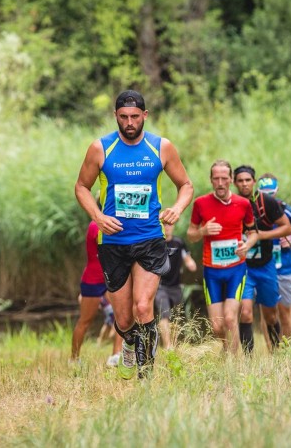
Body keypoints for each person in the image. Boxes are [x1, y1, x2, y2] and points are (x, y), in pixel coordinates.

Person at [75, 90, 194, 379]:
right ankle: (128, 344)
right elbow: (81, 187)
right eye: (124, 117)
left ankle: (146, 374)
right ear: (115, 116)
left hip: (149, 238)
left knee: (143, 307)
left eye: (135, 117)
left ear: (145, 116)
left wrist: (177, 209)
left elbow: (186, 185)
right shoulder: (100, 148)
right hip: (113, 242)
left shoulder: (161, 147)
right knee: (125, 318)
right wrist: (98, 216)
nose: (129, 122)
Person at [187, 160, 258, 355]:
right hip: (212, 271)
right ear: (211, 180)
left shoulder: (243, 204)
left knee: (230, 318)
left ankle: (233, 364)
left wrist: (247, 245)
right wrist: (203, 230)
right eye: (216, 178)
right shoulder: (201, 203)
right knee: (217, 326)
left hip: (236, 268)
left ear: (231, 181)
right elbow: (190, 234)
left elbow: (253, 233)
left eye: (224, 179)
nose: (220, 183)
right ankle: (228, 350)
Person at [233, 165, 291, 354]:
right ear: (234, 183)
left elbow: (287, 228)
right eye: (240, 181)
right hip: (244, 267)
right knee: (246, 312)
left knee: (271, 316)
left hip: (266, 265)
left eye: (247, 180)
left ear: (254, 181)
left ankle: (277, 354)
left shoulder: (266, 203)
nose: (244, 184)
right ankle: (248, 360)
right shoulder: (231, 203)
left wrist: (260, 236)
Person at [256, 173, 291, 342]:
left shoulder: (287, 210)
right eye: (263, 193)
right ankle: (272, 354)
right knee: (266, 314)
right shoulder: (252, 211)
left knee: (285, 313)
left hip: (285, 269)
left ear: (277, 191)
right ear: (257, 192)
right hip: (262, 268)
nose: (267, 197)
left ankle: (285, 354)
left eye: (271, 193)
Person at [71, 220, 122, 366]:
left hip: (113, 277)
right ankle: (74, 358)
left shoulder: (119, 222)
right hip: (94, 279)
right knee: (85, 320)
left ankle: (116, 355)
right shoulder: (96, 224)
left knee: (121, 317)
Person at [154, 221, 197, 349]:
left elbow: (187, 258)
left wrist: (191, 264)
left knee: (176, 316)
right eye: (164, 224)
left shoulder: (179, 242)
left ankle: (172, 343)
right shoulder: (156, 243)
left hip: (176, 286)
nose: (167, 227)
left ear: (173, 226)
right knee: (164, 314)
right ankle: (168, 346)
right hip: (160, 286)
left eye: (169, 224)